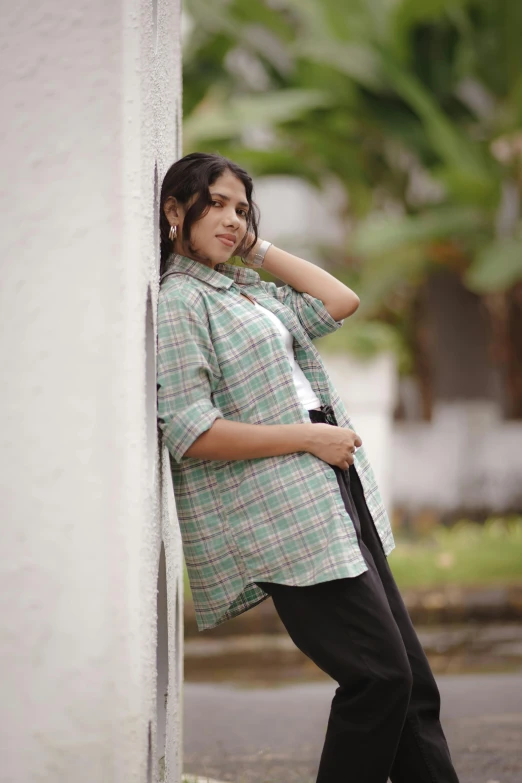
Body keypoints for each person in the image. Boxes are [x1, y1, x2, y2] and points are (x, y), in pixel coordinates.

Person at [156, 151, 460, 783]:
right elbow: (191, 431)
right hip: (283, 511)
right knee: (379, 679)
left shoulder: (246, 293)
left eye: (242, 209)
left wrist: (257, 249)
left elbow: (341, 300)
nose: (233, 219)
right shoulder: (183, 303)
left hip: (329, 490)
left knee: (411, 687)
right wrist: (307, 439)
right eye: (215, 204)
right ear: (173, 212)